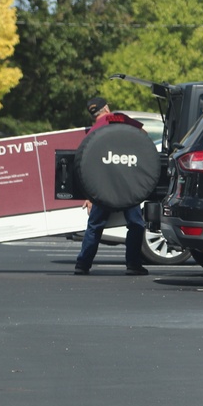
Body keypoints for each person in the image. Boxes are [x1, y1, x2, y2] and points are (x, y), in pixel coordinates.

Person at [74, 96, 149, 276]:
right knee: (136, 224)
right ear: (106, 108)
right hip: (126, 183)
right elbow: (144, 135)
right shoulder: (119, 119)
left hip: (102, 186)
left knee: (95, 225)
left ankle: (82, 264)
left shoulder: (93, 132)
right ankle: (133, 264)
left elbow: (86, 167)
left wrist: (88, 195)